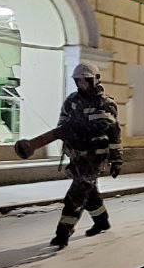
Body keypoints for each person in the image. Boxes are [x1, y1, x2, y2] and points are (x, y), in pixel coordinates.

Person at [27, 63, 122, 250]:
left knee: (76, 195)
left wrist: (116, 159)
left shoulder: (107, 103)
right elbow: (61, 125)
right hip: (77, 156)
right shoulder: (71, 101)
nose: (81, 83)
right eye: (77, 80)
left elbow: (112, 132)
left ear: (95, 79)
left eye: (85, 79)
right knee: (89, 192)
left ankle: (63, 233)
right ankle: (102, 221)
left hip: (95, 158)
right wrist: (67, 139)